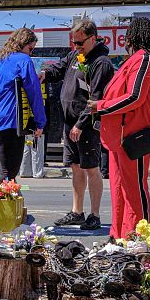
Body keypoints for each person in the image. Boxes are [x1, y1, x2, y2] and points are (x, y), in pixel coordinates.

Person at [88, 17, 150, 241]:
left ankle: (139, 237)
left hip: (133, 137)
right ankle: (120, 236)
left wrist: (101, 106)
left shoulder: (144, 60)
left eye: (127, 36)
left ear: (131, 37)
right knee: (120, 190)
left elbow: (134, 97)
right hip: (118, 138)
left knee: (134, 191)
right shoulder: (133, 61)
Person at [39, 19, 114, 230]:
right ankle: (77, 212)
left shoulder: (101, 63)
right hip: (70, 122)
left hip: (86, 125)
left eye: (80, 43)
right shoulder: (76, 55)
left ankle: (95, 214)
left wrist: (81, 124)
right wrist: (45, 74)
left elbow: (97, 98)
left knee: (91, 168)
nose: (76, 46)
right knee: (76, 167)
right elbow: (59, 68)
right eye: (74, 42)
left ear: (93, 39)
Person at [0, 27, 46, 181]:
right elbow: (34, 92)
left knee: (6, 171)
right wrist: (40, 121)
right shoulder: (24, 60)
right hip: (12, 121)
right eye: (30, 48)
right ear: (22, 44)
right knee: (8, 173)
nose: (31, 53)